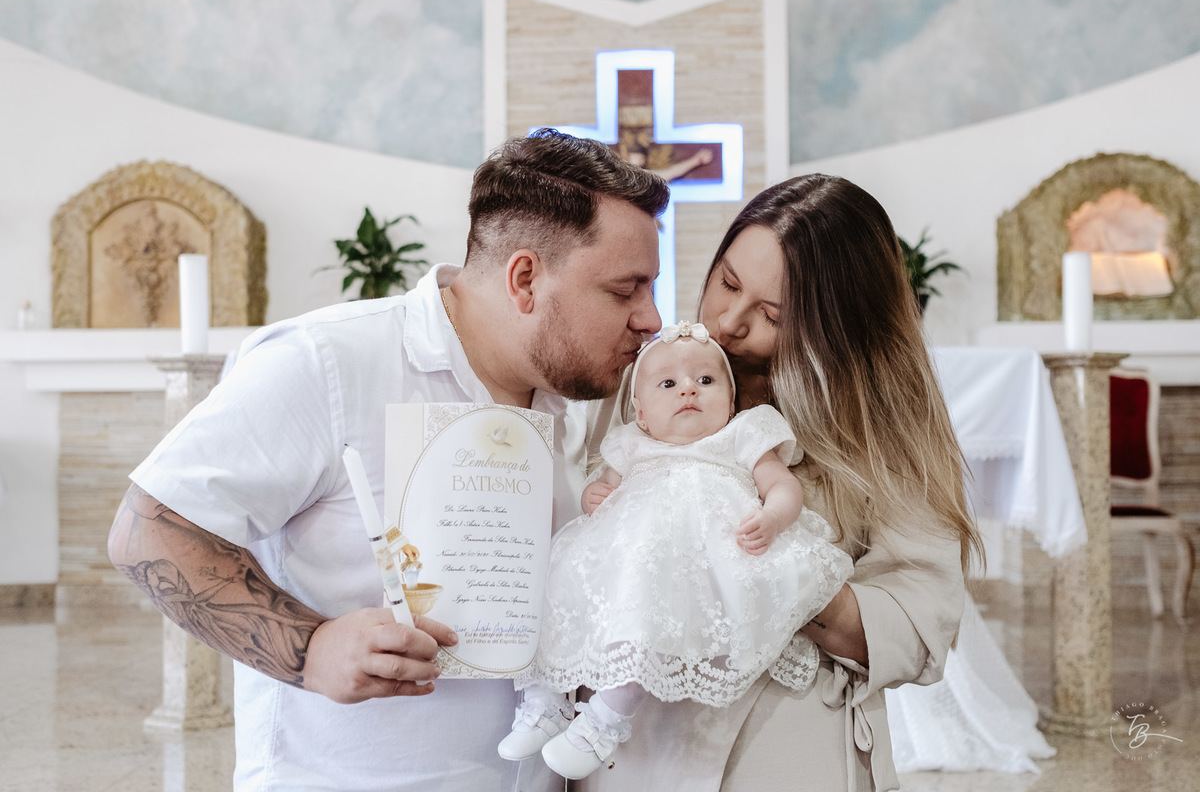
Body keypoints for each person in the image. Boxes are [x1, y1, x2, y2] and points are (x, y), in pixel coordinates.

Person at [106, 128, 670, 792]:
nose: (652, 318)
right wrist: (311, 648)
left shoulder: (582, 400)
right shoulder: (328, 363)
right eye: (625, 290)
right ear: (525, 278)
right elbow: (148, 530)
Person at [578, 174, 983, 791]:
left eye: (773, 314)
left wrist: (775, 568)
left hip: (785, 748)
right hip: (630, 744)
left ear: (838, 330)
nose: (729, 322)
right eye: (727, 283)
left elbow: (920, 621)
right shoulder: (652, 375)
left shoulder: (882, 426)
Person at [498, 322, 852, 779]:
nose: (689, 390)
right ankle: (544, 700)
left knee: (650, 619)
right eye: (669, 383)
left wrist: (774, 517)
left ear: (731, 400)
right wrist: (595, 496)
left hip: (694, 562)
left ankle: (605, 720)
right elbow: (603, 486)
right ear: (641, 414)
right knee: (562, 584)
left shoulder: (741, 436)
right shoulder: (631, 445)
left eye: (706, 380)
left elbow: (782, 484)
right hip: (623, 554)